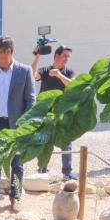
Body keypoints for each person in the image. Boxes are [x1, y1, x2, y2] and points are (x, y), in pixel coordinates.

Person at [0, 36, 36, 213]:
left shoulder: (24, 71)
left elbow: (30, 100)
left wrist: (25, 125)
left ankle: (15, 197)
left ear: (9, 52)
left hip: (16, 126)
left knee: (17, 164)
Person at [31, 44, 76, 180]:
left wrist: (59, 75)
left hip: (63, 112)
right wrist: (37, 56)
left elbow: (73, 85)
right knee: (45, 140)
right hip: (45, 112)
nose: (67, 59)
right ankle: (42, 168)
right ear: (56, 56)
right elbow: (32, 76)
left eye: (68, 56)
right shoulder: (45, 70)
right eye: (64, 56)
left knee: (66, 141)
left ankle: (67, 173)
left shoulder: (68, 72)